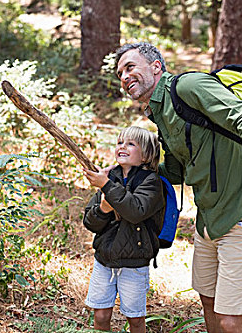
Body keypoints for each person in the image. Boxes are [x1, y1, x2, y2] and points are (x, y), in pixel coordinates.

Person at [114, 42, 242, 333]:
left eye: (130, 67)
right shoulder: (160, 112)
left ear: (156, 67)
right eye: (119, 74)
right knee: (208, 301)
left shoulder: (189, 86)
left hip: (241, 213)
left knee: (231, 319)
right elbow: (176, 171)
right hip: (208, 220)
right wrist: (127, 173)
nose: (124, 77)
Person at [83, 126, 165, 333]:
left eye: (131, 144)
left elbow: (136, 211)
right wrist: (103, 208)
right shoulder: (110, 177)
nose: (122, 147)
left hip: (134, 262)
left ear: (146, 154)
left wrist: (107, 186)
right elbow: (90, 223)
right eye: (120, 142)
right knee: (101, 314)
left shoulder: (151, 182)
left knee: (135, 319)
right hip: (104, 260)